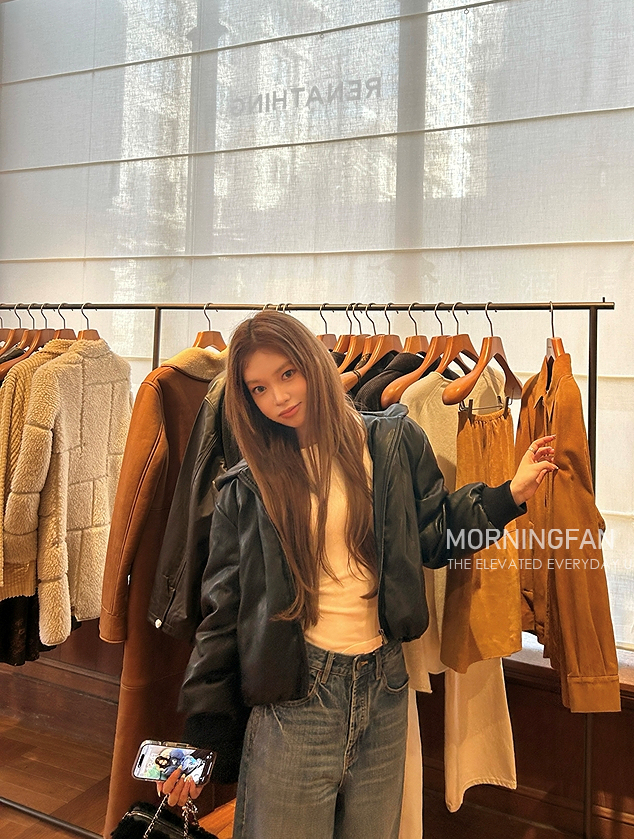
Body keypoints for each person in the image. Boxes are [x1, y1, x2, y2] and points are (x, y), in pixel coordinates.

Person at [158, 310, 555, 838]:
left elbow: (434, 535)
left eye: (287, 373)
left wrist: (509, 496)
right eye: (258, 389)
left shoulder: (392, 443)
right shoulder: (247, 487)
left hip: (384, 687)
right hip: (295, 699)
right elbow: (222, 618)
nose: (279, 397)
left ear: (313, 364)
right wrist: (201, 739)